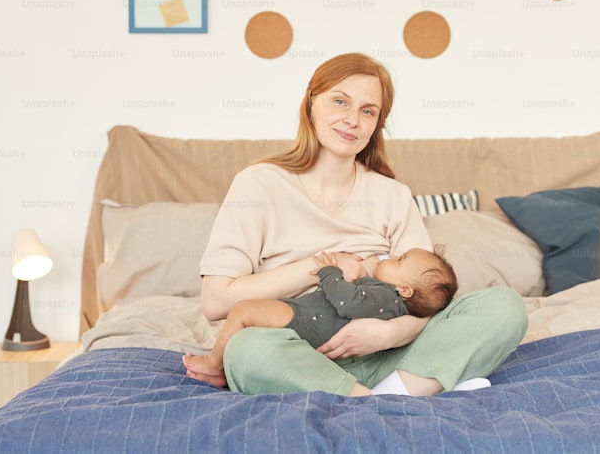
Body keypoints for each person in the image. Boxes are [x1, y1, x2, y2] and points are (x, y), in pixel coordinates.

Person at [198, 52, 528, 396]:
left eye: (367, 110)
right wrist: (324, 265)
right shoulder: (258, 184)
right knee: (246, 350)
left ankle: (387, 394)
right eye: (340, 101)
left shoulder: (393, 195)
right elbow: (217, 302)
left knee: (505, 306)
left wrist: (388, 334)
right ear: (311, 104)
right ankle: (397, 397)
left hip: (392, 352)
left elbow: (429, 298)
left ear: (376, 124)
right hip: (301, 353)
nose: (352, 120)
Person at [183, 247, 457, 388]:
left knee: (244, 311)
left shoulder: (386, 296)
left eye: (398, 260)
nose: (391, 256)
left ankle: (213, 363)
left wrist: (329, 271)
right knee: (248, 324)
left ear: (405, 289)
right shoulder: (386, 296)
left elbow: (347, 303)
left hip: (307, 321)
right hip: (309, 318)